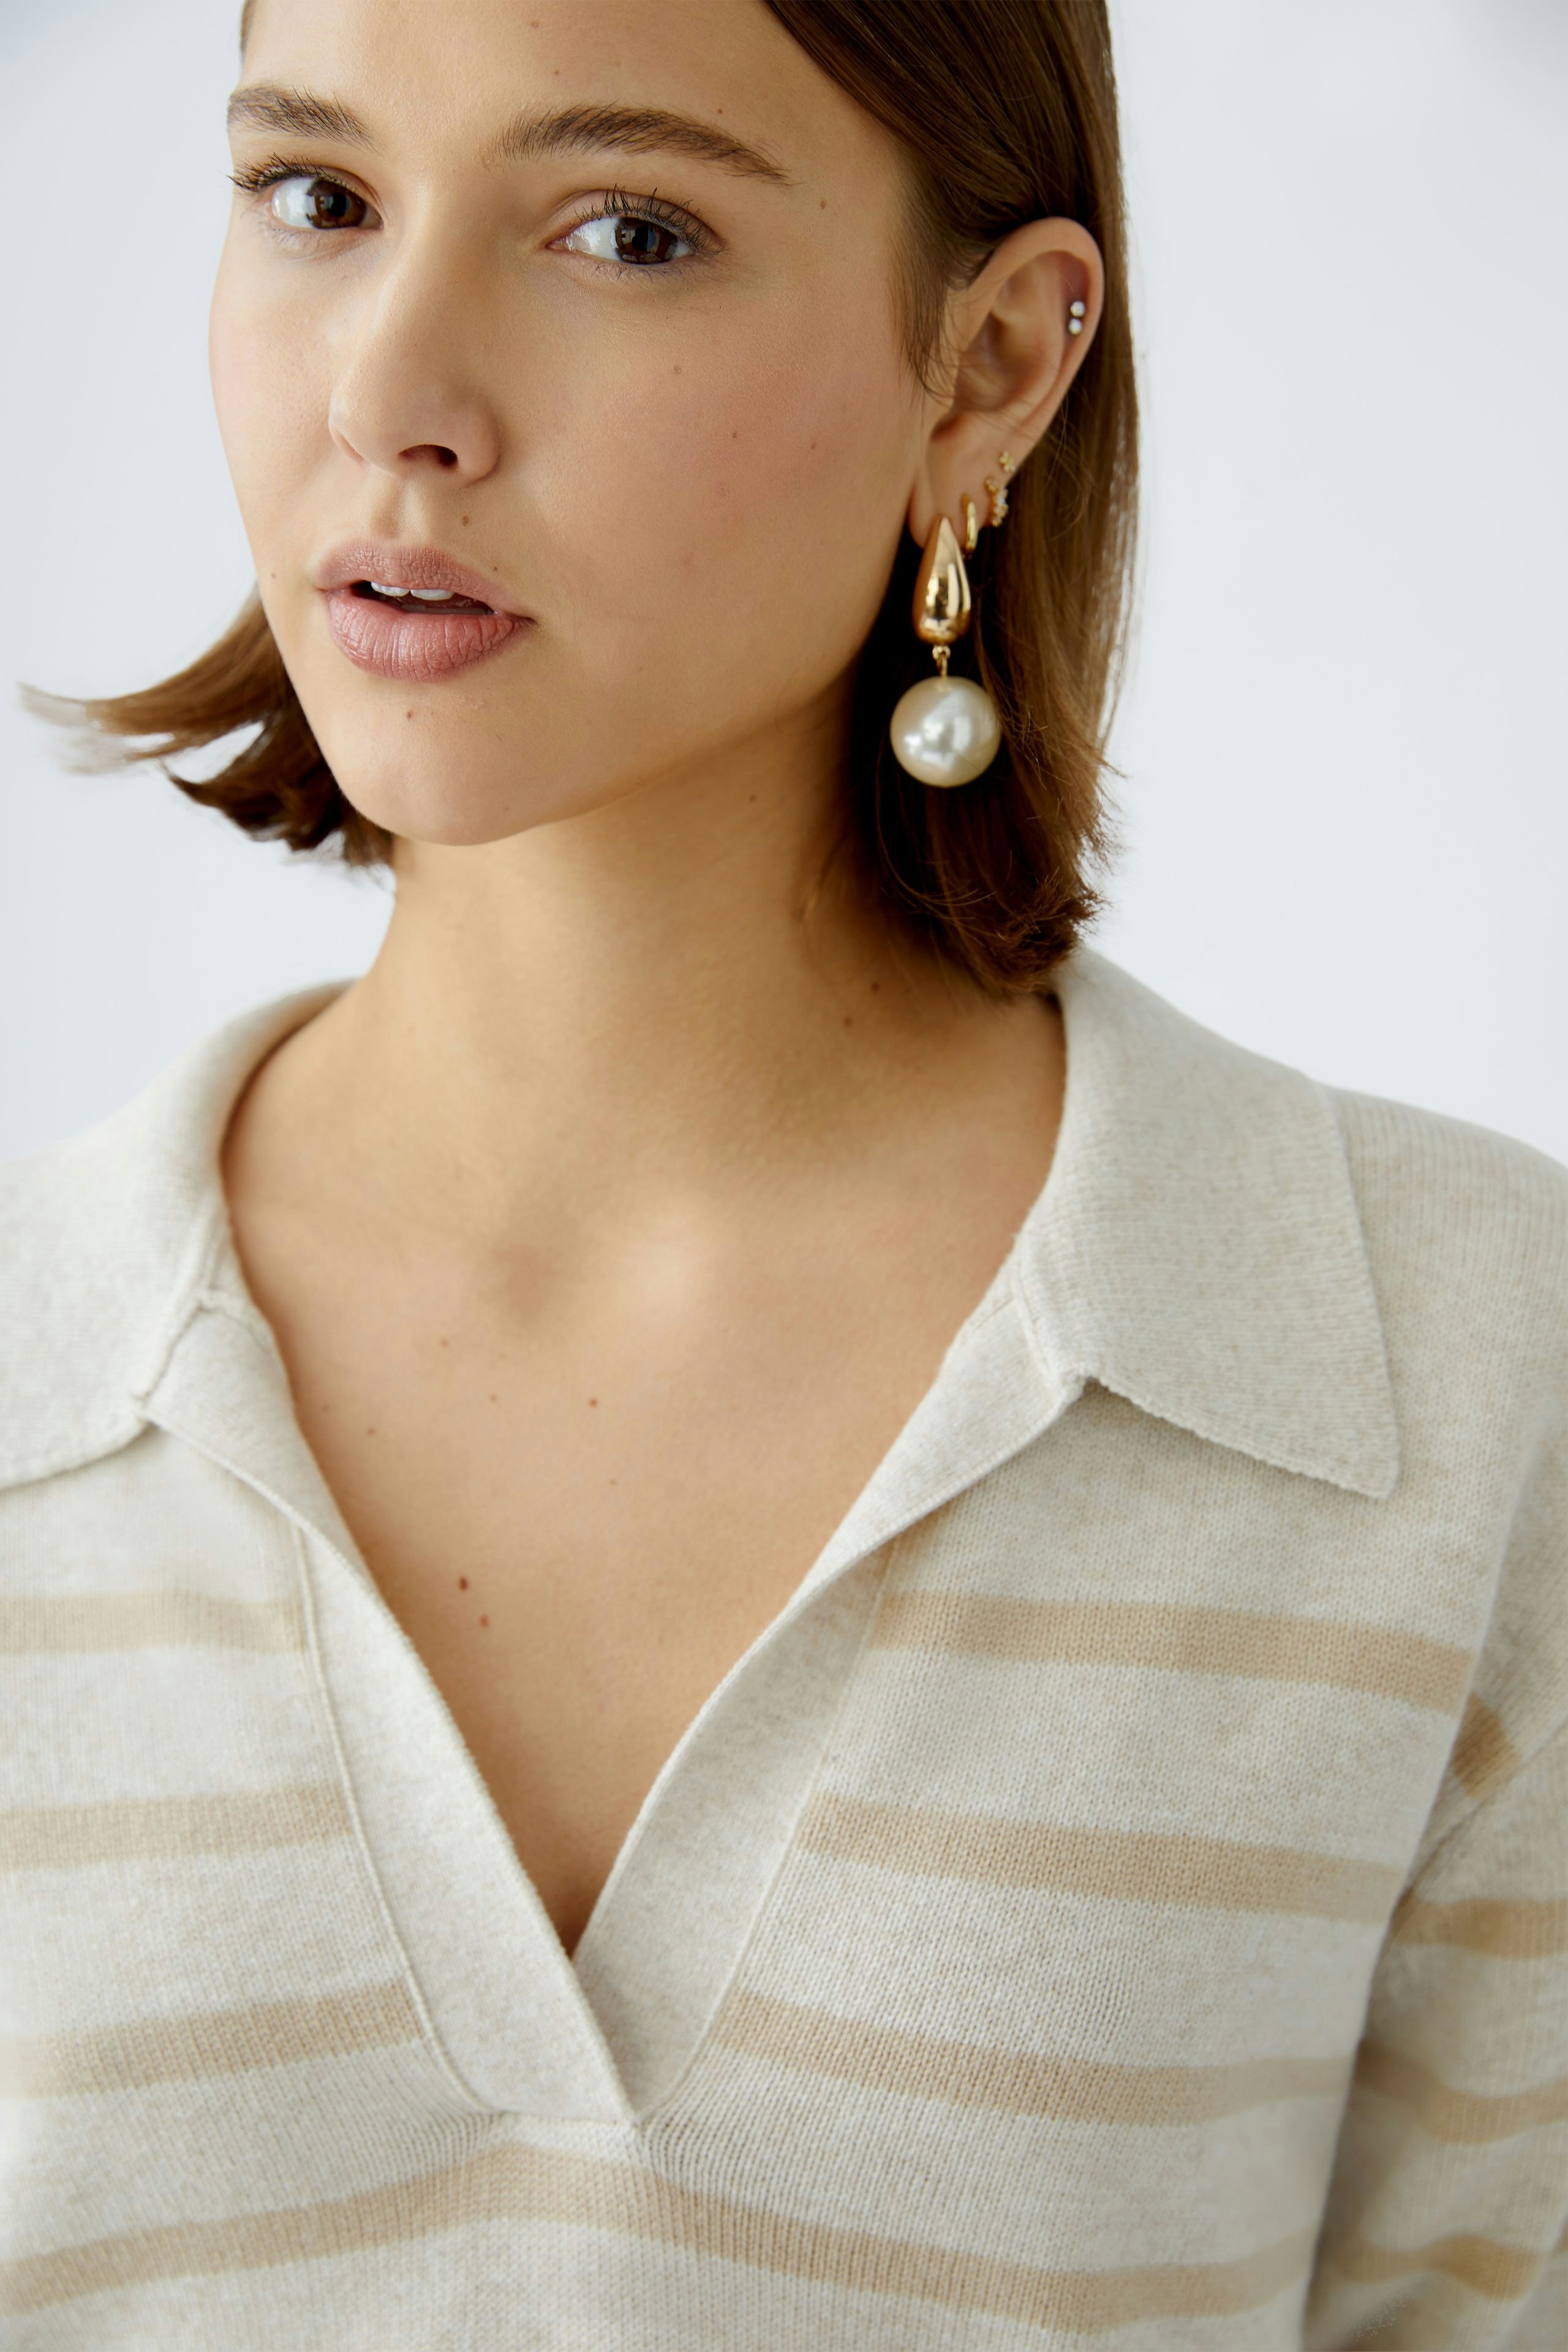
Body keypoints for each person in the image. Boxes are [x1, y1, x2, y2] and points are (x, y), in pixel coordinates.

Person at [2, 0, 1564, 2343]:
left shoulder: (1465, 1371)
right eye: (316, 198)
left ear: (991, 375)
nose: (388, 390)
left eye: (626, 230)